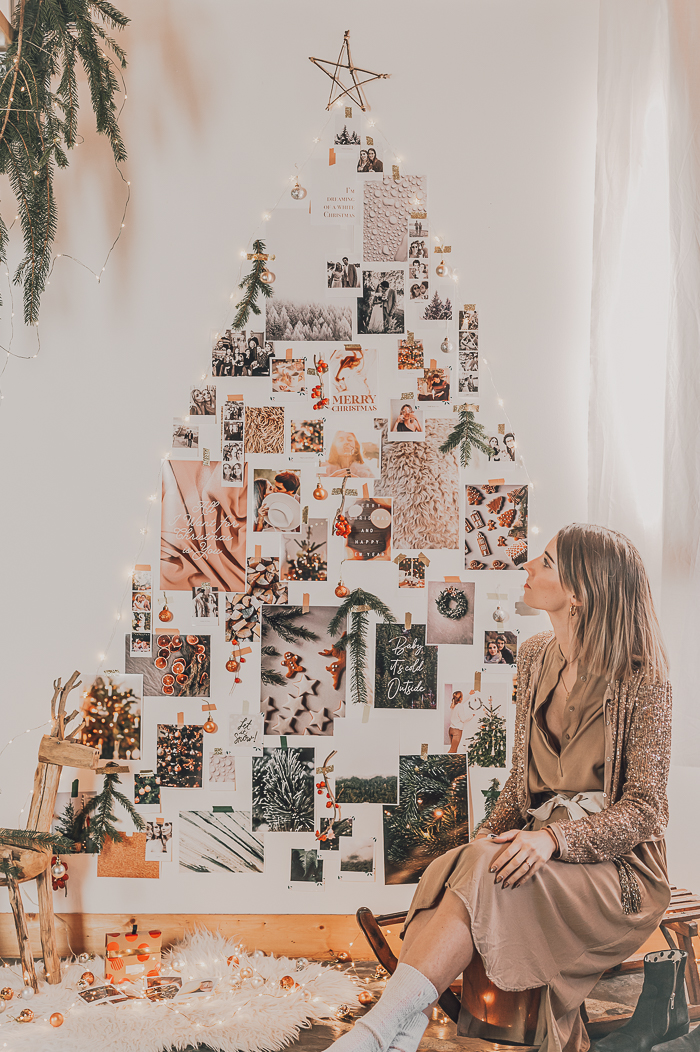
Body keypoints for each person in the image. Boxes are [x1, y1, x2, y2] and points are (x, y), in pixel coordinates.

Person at [325, 524, 673, 1052]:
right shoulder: (534, 656)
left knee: (485, 869)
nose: (527, 567)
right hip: (541, 846)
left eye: (546, 562)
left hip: (619, 871)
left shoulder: (644, 681)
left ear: (579, 592)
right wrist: (485, 838)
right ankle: (398, 1026)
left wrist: (554, 841)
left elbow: (646, 810)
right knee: (460, 864)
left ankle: (379, 1030)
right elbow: (520, 783)